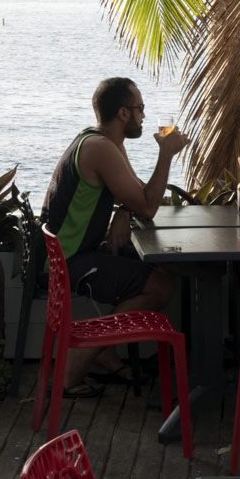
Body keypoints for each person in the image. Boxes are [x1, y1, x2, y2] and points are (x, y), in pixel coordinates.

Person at [43, 77, 186, 396]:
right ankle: (76, 362)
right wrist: (166, 154)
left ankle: (103, 351)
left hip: (75, 252)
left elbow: (133, 195)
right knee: (160, 287)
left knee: (167, 271)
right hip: (67, 262)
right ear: (123, 113)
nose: (144, 116)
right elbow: (148, 206)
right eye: (140, 108)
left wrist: (123, 211)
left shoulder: (104, 141)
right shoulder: (100, 148)